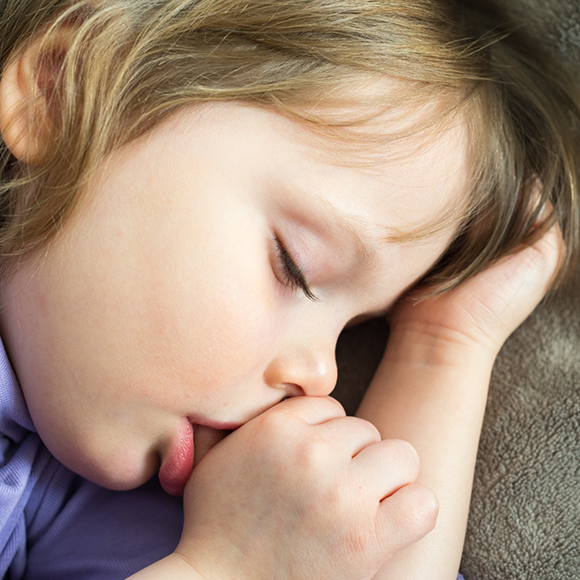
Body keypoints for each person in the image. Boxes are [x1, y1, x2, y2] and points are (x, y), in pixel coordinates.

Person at [0, 0, 577, 578]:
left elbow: (363, 558)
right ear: (61, 93)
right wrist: (227, 570)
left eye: (353, 329)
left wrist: (444, 345)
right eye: (294, 267)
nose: (321, 379)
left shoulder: (108, 474)